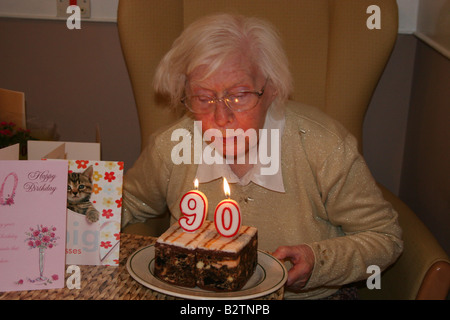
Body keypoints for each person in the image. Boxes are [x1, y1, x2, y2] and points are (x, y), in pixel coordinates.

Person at [121, 13, 403, 300]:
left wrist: (317, 260)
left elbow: (384, 238)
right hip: (197, 300)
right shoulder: (171, 147)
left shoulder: (323, 147)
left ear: (273, 88)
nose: (221, 117)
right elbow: (125, 203)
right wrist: (82, 216)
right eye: (203, 98)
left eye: (240, 94)